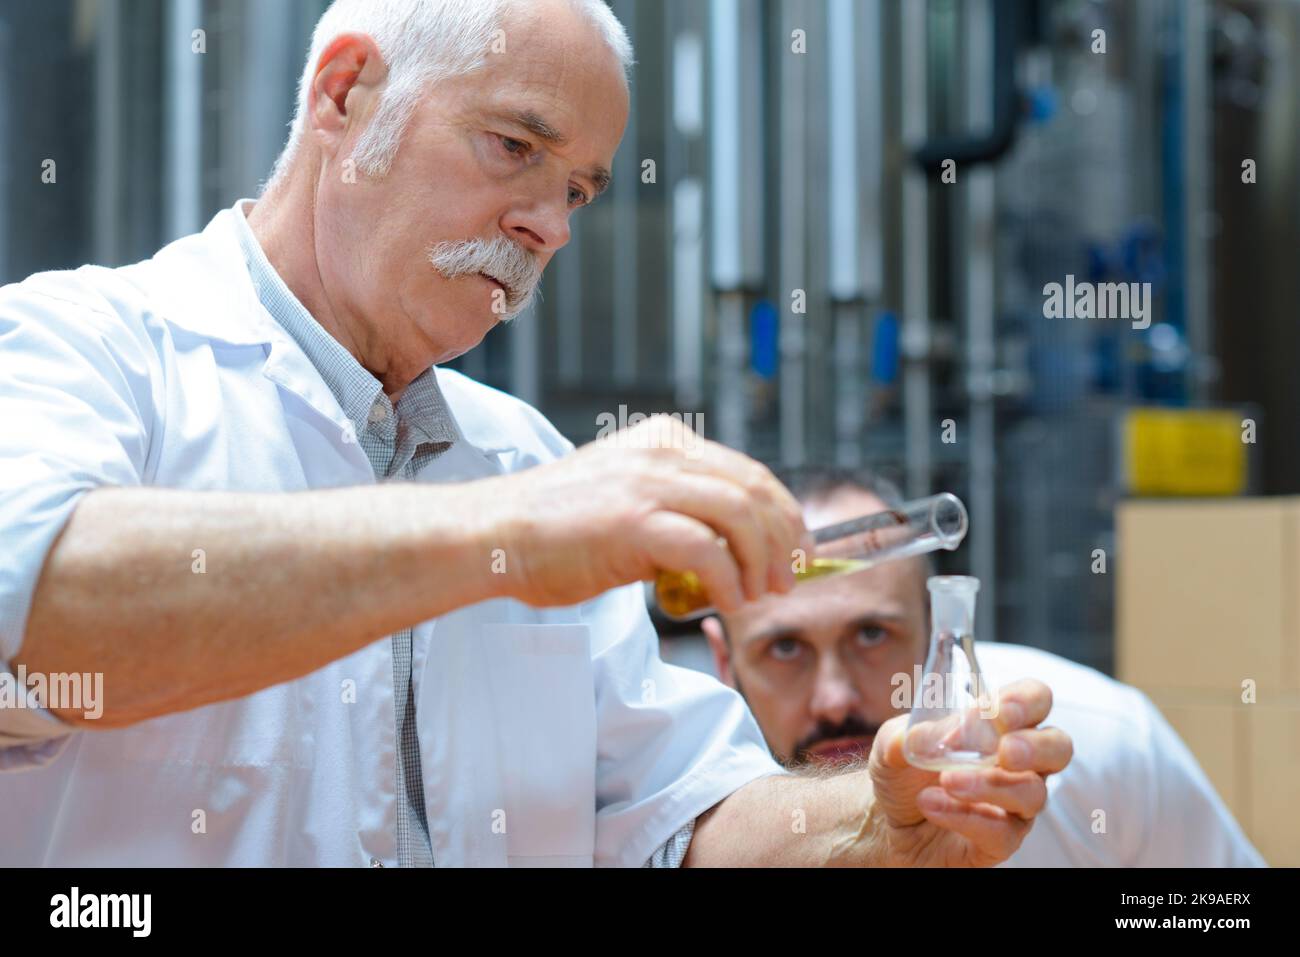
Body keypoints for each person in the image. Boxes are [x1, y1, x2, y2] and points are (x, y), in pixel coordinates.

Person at [0, 0, 1070, 867]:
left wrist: (871, 831)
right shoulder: (81, 351)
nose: (549, 226)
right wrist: (504, 530)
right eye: (513, 147)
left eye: (578, 192)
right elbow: (30, 619)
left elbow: (675, 815)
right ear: (344, 92)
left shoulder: (521, 454)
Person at [703, 467, 1265, 866]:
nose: (834, 699)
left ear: (934, 631)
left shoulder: (1100, 745)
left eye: (872, 634)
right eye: (785, 649)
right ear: (724, 661)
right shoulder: (669, 818)